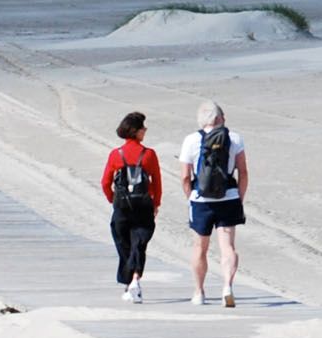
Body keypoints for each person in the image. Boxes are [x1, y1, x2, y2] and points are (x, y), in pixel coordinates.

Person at [179, 102, 248, 305]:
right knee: (228, 246)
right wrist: (239, 198)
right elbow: (243, 172)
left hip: (201, 201)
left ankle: (199, 292)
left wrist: (190, 197)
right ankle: (227, 285)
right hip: (229, 198)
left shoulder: (191, 140)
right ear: (218, 119)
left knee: (200, 247)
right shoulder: (234, 138)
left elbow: (185, 176)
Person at [100, 111, 164, 304]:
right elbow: (157, 183)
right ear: (136, 131)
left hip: (122, 206)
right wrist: (156, 204)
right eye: (143, 127)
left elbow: (105, 182)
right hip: (143, 204)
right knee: (139, 244)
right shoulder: (149, 154)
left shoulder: (115, 154)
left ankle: (130, 282)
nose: (145, 130)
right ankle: (134, 279)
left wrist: (113, 200)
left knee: (123, 243)